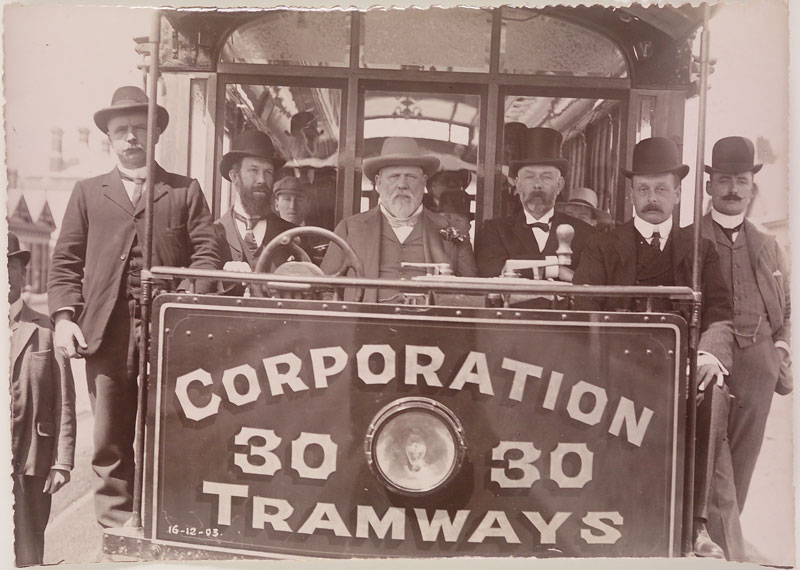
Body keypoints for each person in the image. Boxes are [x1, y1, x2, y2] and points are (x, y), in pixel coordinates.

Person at [47, 85, 220, 529]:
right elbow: (65, 260)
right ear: (108, 137)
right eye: (121, 130)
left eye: (139, 129)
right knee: (109, 435)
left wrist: (181, 300)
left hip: (168, 328)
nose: (130, 139)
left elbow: (207, 253)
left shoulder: (184, 191)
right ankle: (116, 527)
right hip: (106, 331)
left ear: (156, 135)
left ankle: (167, 518)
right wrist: (65, 318)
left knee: (171, 425)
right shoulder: (88, 193)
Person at [573, 136, 738, 559]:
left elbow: (720, 310)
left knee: (715, 391)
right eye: (643, 189)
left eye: (661, 189)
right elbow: (585, 312)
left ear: (678, 193)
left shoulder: (700, 250)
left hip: (682, 371)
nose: (652, 199)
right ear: (630, 194)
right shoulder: (602, 247)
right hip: (614, 367)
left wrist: (707, 356)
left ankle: (696, 527)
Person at [700, 136, 791, 554]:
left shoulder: (767, 245)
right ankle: (721, 545)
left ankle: (722, 540)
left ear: (751, 187)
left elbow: (786, 305)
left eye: (740, 181)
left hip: (758, 359)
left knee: (744, 457)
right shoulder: (689, 238)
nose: (733, 189)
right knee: (709, 453)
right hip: (708, 355)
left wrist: (780, 351)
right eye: (724, 180)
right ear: (709, 187)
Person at [321, 137, 477, 302]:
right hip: (366, 324)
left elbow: (472, 293)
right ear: (378, 183)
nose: (402, 184)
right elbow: (324, 288)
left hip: (431, 325)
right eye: (394, 177)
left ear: (424, 182)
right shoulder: (349, 228)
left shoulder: (451, 229)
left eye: (410, 177)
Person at [9, 233, 76, 566]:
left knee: (29, 550)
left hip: (33, 461)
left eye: (9, 265)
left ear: (23, 273)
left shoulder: (46, 329)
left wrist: (62, 461)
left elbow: (64, 399)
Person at [475, 127, 594, 280]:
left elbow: (591, 280)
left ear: (560, 185)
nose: (537, 184)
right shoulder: (495, 230)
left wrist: (516, 266)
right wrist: (556, 269)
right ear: (517, 185)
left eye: (546, 177)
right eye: (529, 177)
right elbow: (489, 270)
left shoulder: (586, 233)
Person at [215, 129, 301, 289]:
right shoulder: (214, 234)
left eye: (268, 172)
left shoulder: (293, 235)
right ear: (234, 177)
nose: (262, 179)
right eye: (253, 170)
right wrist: (223, 277)